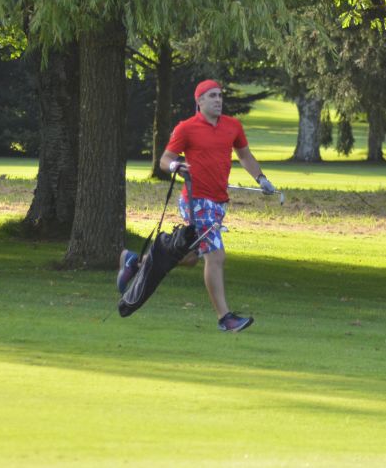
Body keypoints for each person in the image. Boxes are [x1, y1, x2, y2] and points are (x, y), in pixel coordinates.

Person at [117, 79, 277, 332]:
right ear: (199, 101)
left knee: (190, 258)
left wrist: (261, 178)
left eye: (220, 96)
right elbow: (165, 159)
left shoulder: (232, 127)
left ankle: (135, 262)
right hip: (195, 201)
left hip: (219, 203)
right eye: (211, 96)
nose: (218, 100)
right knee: (216, 255)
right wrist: (175, 166)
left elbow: (244, 155)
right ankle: (225, 318)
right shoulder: (186, 128)